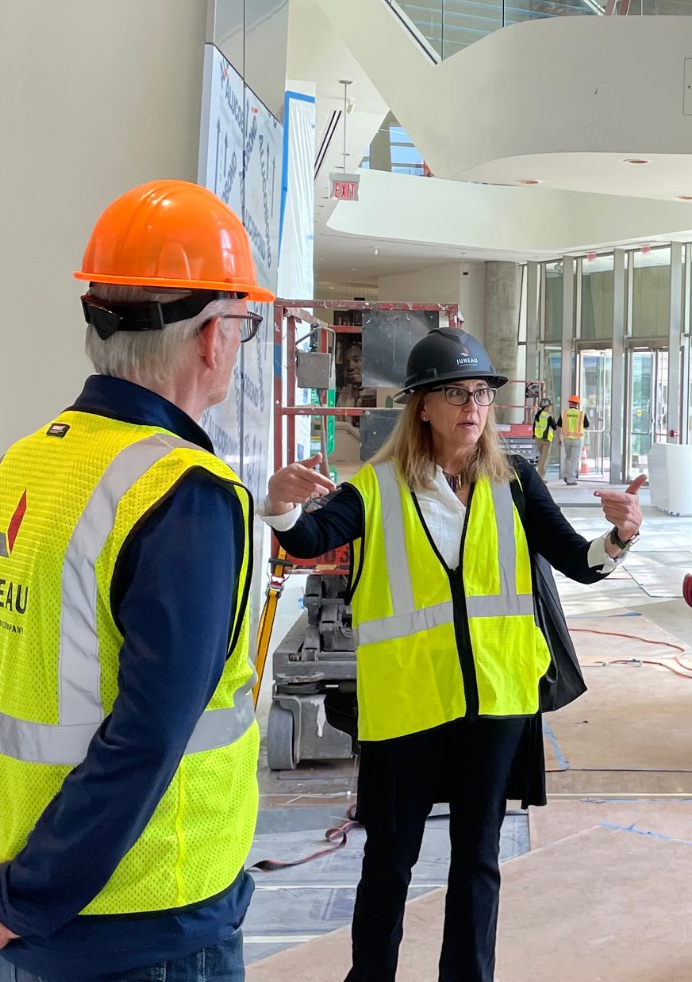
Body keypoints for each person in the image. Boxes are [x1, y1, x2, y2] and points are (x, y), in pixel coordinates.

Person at [0, 180, 271, 981]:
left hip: (16, 911)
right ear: (213, 338)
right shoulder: (188, 494)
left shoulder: (21, 469)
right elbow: (145, 739)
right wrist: (14, 898)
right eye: (242, 326)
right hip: (147, 924)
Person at [261, 327, 645, 982]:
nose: (472, 405)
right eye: (454, 393)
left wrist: (618, 537)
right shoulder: (377, 487)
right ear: (423, 408)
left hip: (494, 703)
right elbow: (310, 537)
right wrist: (279, 507)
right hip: (406, 706)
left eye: (480, 393)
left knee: (478, 859)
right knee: (389, 858)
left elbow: (578, 563)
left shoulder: (516, 482)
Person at [561, 394, 589, 485]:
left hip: (566, 438)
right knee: (574, 459)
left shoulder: (564, 413)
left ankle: (565, 476)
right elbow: (587, 426)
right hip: (577, 439)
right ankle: (571, 479)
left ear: (570, 403)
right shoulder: (581, 414)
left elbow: (558, 425)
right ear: (577, 404)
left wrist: (559, 437)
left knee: (568, 458)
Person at [532, 397, 560, 479]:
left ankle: (540, 476)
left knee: (542, 458)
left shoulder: (538, 415)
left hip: (538, 439)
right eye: (550, 406)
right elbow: (554, 427)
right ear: (546, 407)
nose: (551, 407)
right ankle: (540, 478)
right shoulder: (548, 416)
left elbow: (534, 427)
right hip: (546, 441)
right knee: (543, 460)